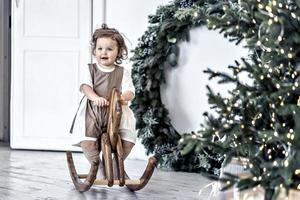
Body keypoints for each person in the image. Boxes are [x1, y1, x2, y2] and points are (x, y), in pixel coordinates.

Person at [70, 24, 136, 179]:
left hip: (116, 113)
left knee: (128, 138)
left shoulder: (122, 72)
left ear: (119, 51)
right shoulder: (90, 69)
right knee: (88, 142)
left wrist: (123, 97)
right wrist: (95, 98)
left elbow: (130, 90)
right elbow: (85, 87)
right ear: (94, 50)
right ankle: (97, 165)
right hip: (93, 112)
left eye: (109, 49)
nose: (103, 52)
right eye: (100, 49)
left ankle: (114, 164)